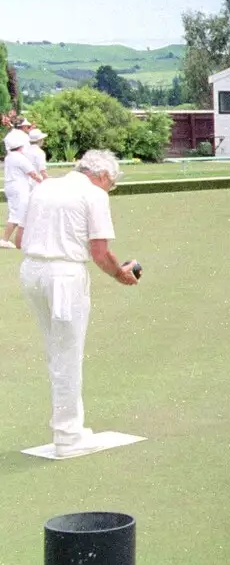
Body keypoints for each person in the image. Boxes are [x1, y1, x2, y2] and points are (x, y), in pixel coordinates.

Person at [17, 149, 139, 456]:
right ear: (101, 176)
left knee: (56, 351)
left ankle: (68, 427)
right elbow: (99, 252)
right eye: (110, 183)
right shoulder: (95, 195)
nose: (109, 189)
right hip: (63, 275)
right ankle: (68, 436)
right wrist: (120, 274)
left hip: (31, 270)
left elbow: (19, 238)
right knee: (67, 354)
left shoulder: (44, 186)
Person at [3, 131, 35, 248]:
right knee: (18, 214)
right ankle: (6, 239)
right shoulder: (20, 158)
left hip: (12, 187)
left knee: (17, 212)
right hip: (19, 188)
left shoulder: (9, 157)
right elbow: (32, 173)